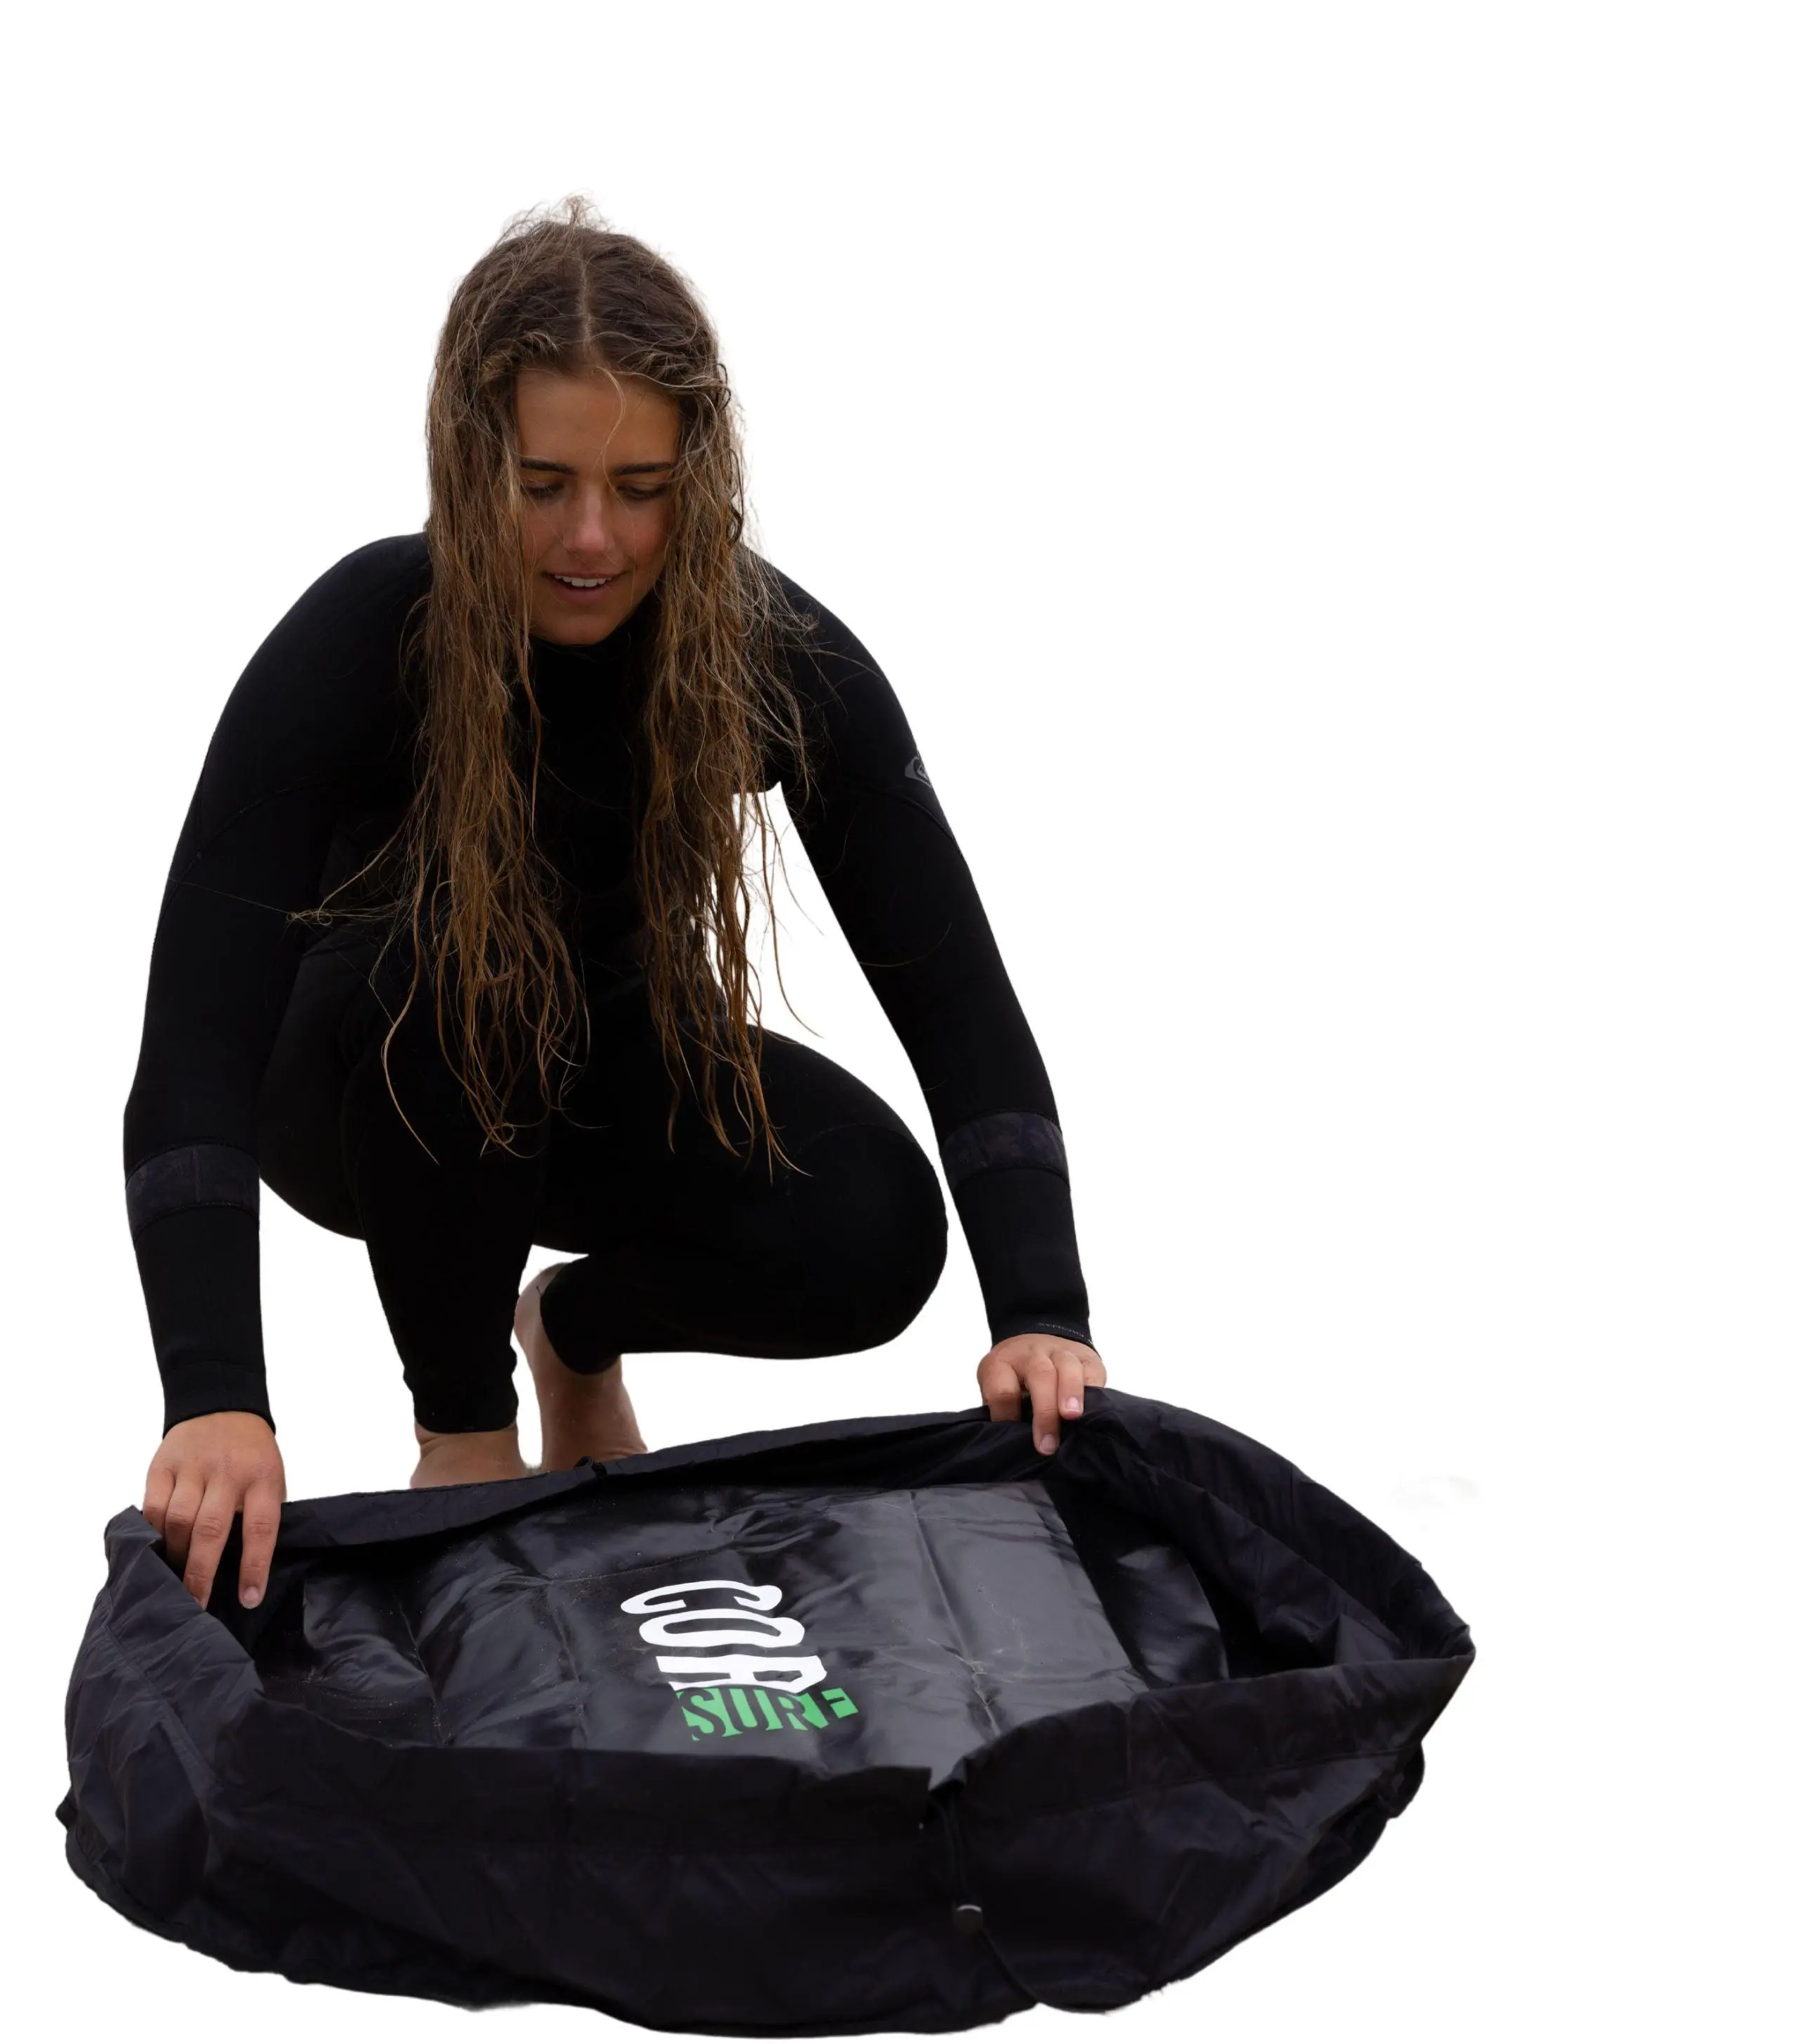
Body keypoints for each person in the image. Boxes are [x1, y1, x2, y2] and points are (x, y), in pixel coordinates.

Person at [128, 199, 1108, 1612]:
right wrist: (216, 1393)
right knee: (479, 982)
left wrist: (1043, 1315)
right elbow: (195, 1045)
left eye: (640, 487)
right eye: (543, 485)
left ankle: (575, 1333)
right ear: (471, 463)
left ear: (695, 478)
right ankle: (466, 1431)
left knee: (874, 1226)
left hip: (592, 1081)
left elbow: (955, 999)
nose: (591, 537)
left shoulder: (769, 649)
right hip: (365, 1087)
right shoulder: (361, 636)